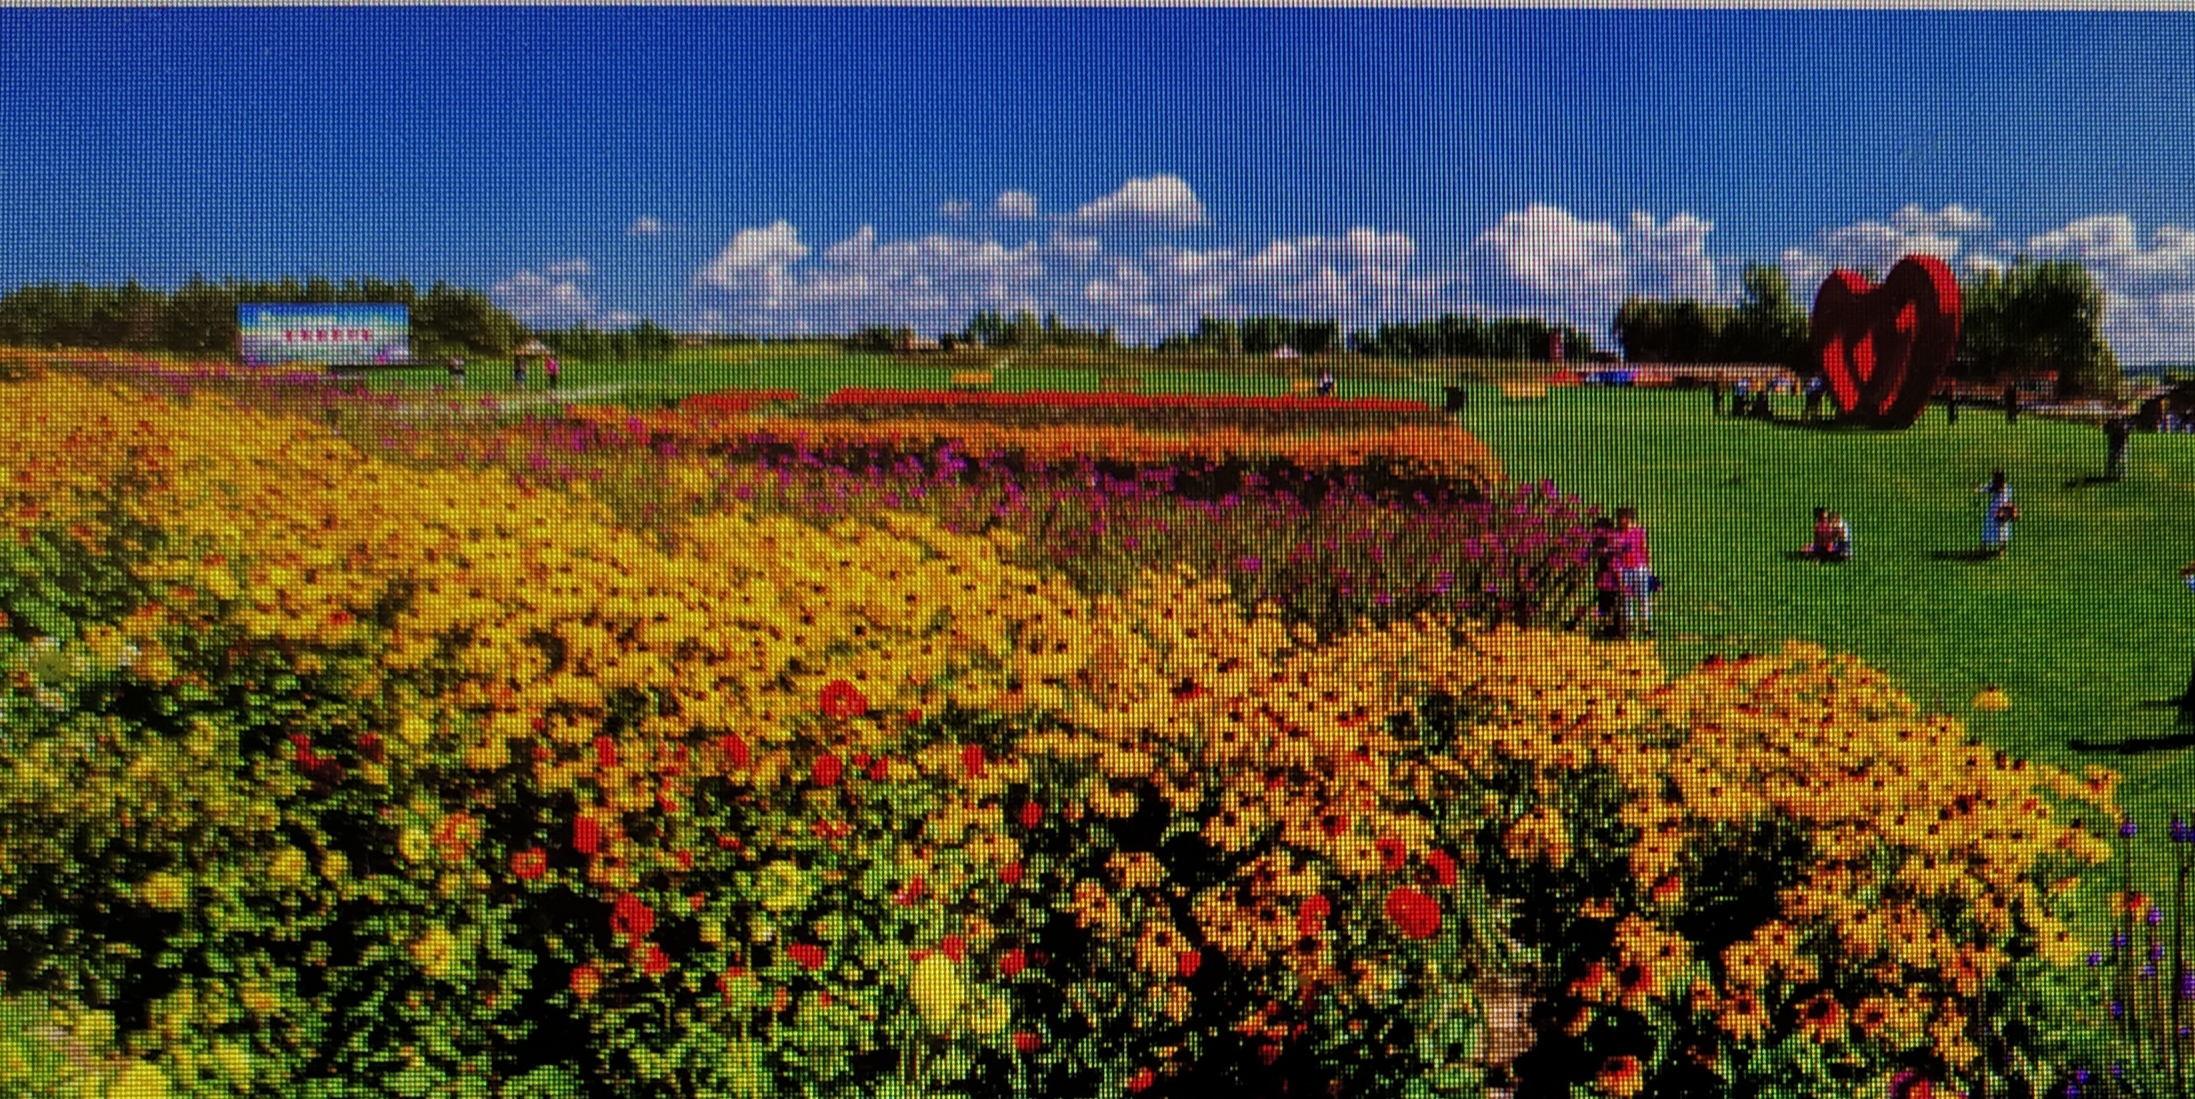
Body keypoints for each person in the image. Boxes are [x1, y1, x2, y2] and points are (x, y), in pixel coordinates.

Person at [1613, 506, 1654, 638]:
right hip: (1625, 570)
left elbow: (1644, 549)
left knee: (1644, 597)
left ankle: (1647, 625)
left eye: (1624, 517)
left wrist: (1648, 567)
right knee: (1626, 599)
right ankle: (1629, 625)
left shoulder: (1639, 531)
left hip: (1639, 568)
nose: (1621, 521)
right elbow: (1615, 554)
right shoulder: (1616, 534)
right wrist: (1618, 570)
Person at [1590, 517, 1627, 639]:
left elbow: (1614, 562)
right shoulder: (1607, 541)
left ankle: (1616, 630)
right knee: (1606, 607)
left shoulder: (1612, 541)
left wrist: (1620, 580)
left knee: (1613, 607)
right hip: (1606, 581)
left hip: (1611, 581)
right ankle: (1609, 629)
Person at [1974, 469, 2015, 554]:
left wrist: (2009, 510)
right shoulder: (1993, 486)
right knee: (1987, 529)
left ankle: (2002, 549)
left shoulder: (2007, 487)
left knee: (2003, 530)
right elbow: (1984, 488)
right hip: (1993, 511)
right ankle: (1983, 548)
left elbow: (2010, 500)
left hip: (2003, 511)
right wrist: (1978, 488)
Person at [2105, 415, 2132, 481]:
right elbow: (2105, 430)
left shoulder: (2124, 422)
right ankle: (2112, 473)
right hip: (2114, 442)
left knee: (2120, 457)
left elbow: (2127, 432)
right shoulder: (2112, 422)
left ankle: (2120, 474)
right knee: (2114, 457)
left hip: (2120, 442)